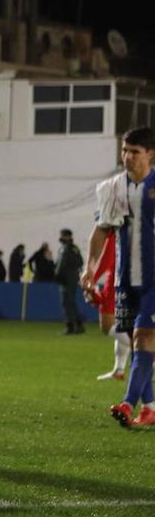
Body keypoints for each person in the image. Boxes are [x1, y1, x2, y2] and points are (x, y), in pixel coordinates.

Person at [87, 128, 155, 427]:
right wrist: (89, 268)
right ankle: (150, 407)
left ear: (150, 154)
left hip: (154, 281)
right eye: (125, 150)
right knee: (137, 342)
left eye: (134, 152)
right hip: (125, 281)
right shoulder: (112, 188)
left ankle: (127, 404)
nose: (127, 156)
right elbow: (101, 230)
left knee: (143, 338)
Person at [84, 221, 129, 381]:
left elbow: (107, 257)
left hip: (118, 278)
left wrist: (92, 277)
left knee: (107, 325)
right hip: (127, 276)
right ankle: (119, 369)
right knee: (122, 324)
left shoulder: (112, 229)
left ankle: (146, 352)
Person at [56, 229, 85, 334]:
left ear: (68, 236)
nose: (61, 237)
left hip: (68, 279)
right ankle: (77, 325)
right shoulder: (66, 248)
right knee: (69, 302)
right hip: (66, 278)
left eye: (63, 235)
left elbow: (79, 262)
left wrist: (65, 271)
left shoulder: (69, 248)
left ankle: (71, 326)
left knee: (67, 302)